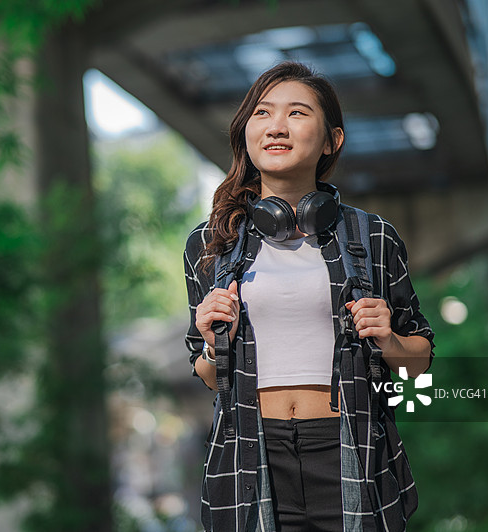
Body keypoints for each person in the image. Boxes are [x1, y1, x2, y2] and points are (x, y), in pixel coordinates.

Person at [183, 61, 435, 532]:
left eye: (297, 113)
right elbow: (210, 376)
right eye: (262, 113)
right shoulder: (209, 243)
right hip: (250, 454)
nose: (276, 126)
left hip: (348, 448)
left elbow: (417, 362)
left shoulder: (372, 235)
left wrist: (389, 341)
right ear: (246, 133)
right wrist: (215, 343)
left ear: (330, 140)